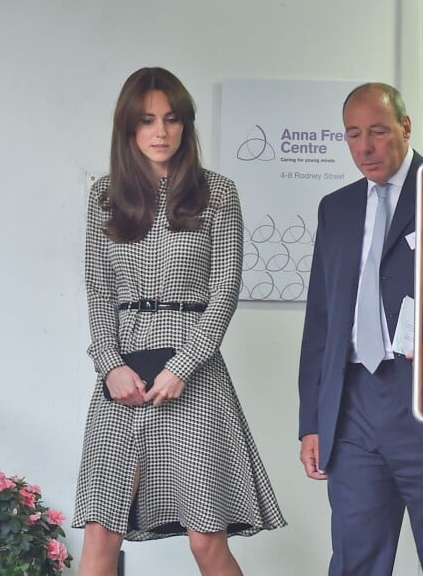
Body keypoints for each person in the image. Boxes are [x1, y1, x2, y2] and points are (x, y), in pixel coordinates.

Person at [73, 67, 286, 576]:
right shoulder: (104, 196)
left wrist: (183, 366)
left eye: (171, 119)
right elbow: (99, 290)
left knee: (205, 538)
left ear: (186, 125)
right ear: (129, 129)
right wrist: (108, 365)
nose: (161, 132)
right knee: (102, 533)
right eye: (147, 120)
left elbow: (224, 291)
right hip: (122, 376)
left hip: (196, 374)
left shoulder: (218, 193)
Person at [298, 83, 423, 576]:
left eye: (377, 132)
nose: (365, 147)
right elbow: (321, 320)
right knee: (355, 559)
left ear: (405, 127)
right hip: (352, 405)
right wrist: (312, 419)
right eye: (353, 135)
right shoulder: (335, 209)